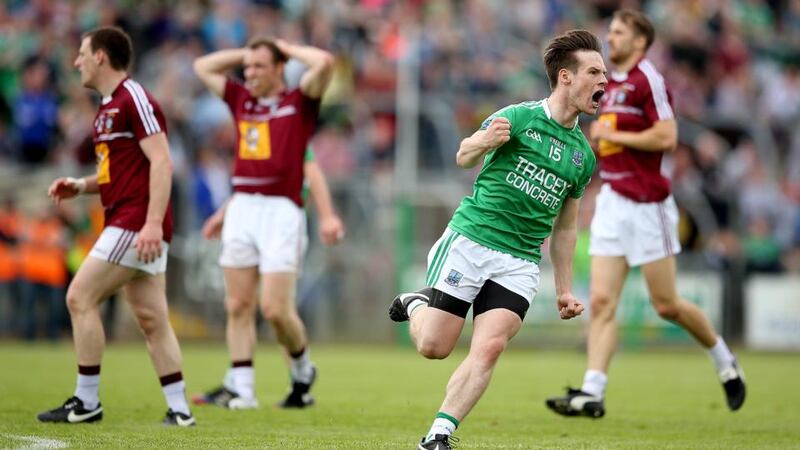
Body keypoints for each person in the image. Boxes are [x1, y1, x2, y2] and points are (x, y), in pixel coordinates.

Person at [389, 29, 607, 449]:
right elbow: (464, 154)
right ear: (565, 77)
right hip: (471, 241)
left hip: (520, 262)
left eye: (604, 73)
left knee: (488, 347)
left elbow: (565, 227)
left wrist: (564, 289)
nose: (603, 81)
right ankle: (415, 303)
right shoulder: (521, 117)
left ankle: (439, 434)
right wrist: (484, 140)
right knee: (434, 347)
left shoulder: (583, 154)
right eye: (594, 72)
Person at [545, 9, 745, 419]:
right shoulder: (609, 84)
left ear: (639, 41)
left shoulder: (647, 79)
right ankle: (592, 391)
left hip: (648, 205)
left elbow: (668, 136)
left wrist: (612, 134)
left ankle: (724, 359)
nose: (610, 37)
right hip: (614, 203)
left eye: (618, 32)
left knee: (667, 304)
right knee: (601, 301)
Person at [37, 26, 195, 426]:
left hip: (136, 221)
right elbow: (118, 173)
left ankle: (87, 402)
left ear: (101, 57)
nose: (77, 62)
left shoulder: (133, 97)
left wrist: (153, 224)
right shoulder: (107, 108)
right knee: (151, 319)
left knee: (79, 297)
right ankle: (180, 411)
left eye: (82, 53)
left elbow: (162, 161)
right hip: (133, 219)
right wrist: (80, 185)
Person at [191, 36, 335, 409]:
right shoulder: (242, 101)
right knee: (238, 304)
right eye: (247, 68)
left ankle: (302, 367)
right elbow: (202, 67)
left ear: (279, 67)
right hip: (242, 208)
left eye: (259, 66)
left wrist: (285, 48)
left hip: (282, 212)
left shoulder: (298, 103)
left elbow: (324, 61)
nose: (250, 73)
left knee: (274, 309)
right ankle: (243, 388)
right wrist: (248, 53)